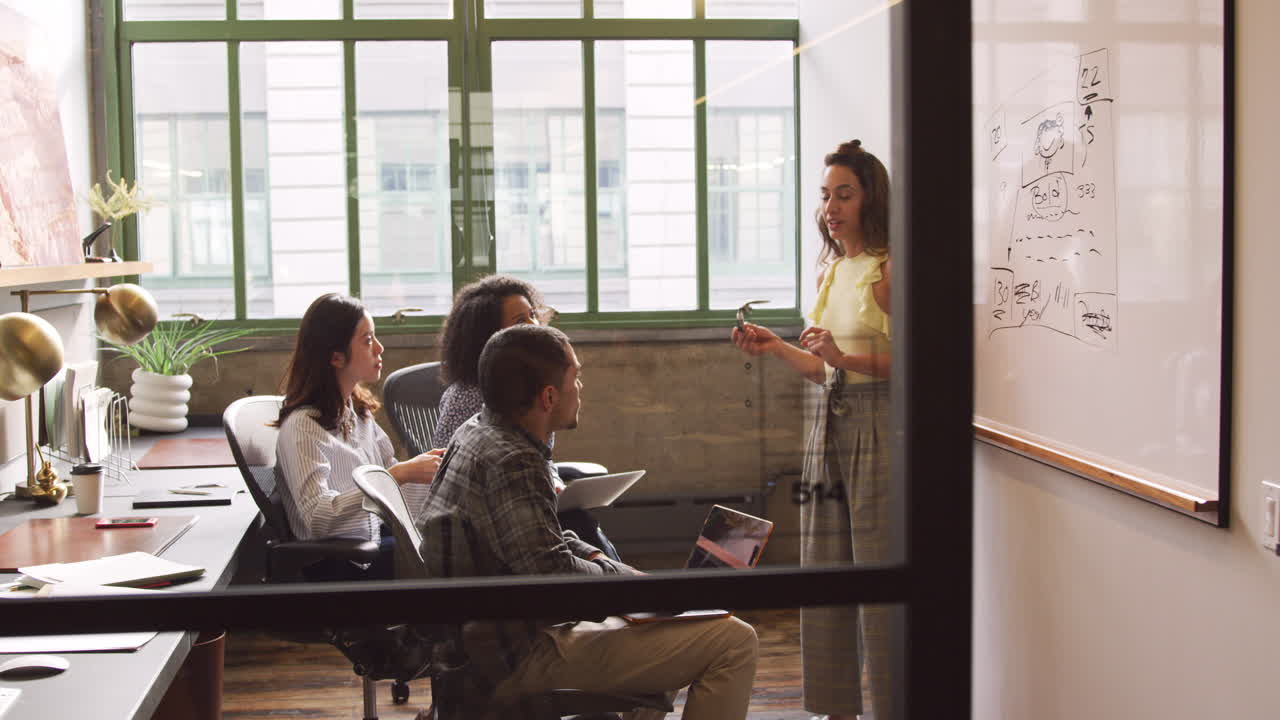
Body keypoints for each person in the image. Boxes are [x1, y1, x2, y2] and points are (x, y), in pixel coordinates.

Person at [417, 324, 759, 719]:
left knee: (671, 634)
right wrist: (631, 589)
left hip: (479, 648)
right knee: (734, 641)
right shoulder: (514, 460)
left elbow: (541, 541)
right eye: (576, 377)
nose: (581, 387)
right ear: (549, 397)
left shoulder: (478, 431)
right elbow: (553, 575)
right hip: (511, 658)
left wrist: (622, 574)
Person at [731, 139, 893, 720]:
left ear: (870, 199)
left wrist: (844, 359)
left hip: (880, 425)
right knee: (825, 568)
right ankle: (835, 708)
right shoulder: (832, 269)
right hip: (830, 420)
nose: (832, 207)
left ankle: (896, 704)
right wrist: (774, 345)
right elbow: (824, 366)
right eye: (826, 196)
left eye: (844, 194)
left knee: (877, 574)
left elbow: (916, 362)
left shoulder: (888, 268)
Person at [433, 274, 621, 562]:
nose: (534, 326)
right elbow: (549, 569)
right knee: (580, 525)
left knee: (581, 529)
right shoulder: (485, 417)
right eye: (521, 321)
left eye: (533, 315)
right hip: (498, 553)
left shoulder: (506, 411)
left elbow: (539, 460)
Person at [274, 293, 442, 581]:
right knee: (455, 556)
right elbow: (318, 518)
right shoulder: (303, 428)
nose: (379, 348)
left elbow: (396, 493)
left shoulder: (358, 413)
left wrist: (444, 479)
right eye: (367, 340)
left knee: (462, 534)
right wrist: (396, 475)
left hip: (376, 540)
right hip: (343, 562)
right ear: (336, 356)